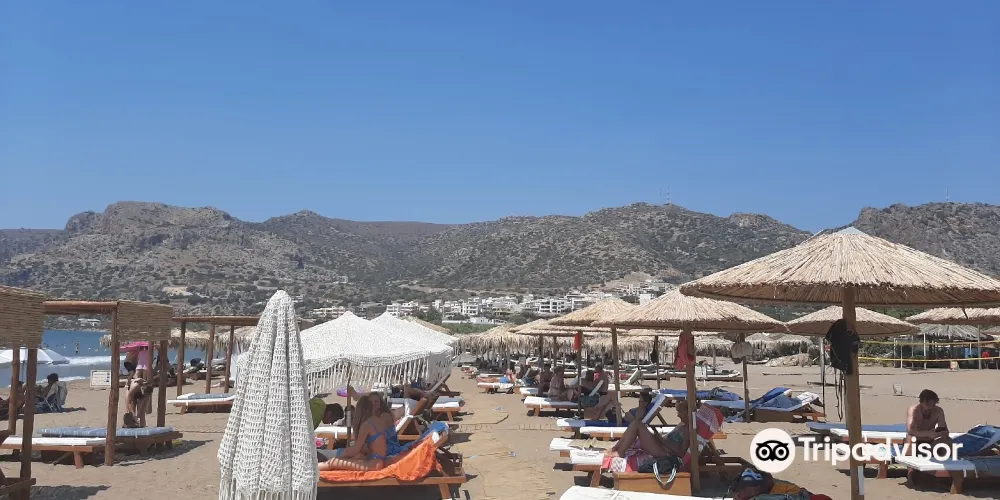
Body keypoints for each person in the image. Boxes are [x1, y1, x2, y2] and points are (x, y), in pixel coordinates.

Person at [320, 392, 403, 471]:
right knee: (352, 457)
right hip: (378, 460)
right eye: (372, 402)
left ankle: (313, 470)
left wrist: (341, 456)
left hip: (374, 464)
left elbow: (355, 449)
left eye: (376, 402)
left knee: (334, 462)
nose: (374, 404)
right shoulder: (378, 421)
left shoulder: (368, 424)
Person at [603, 399, 693, 471]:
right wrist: (659, 438)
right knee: (635, 423)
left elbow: (680, 453)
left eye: (680, 412)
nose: (678, 415)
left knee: (637, 424)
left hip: (665, 453)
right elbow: (669, 440)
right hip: (661, 446)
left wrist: (662, 440)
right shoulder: (682, 425)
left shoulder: (688, 431)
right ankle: (616, 448)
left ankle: (620, 452)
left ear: (687, 412)